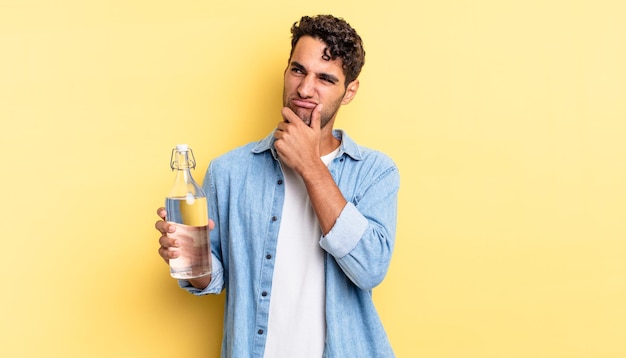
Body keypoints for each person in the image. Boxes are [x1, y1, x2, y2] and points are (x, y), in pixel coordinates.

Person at [156, 14, 400, 358]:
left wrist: (310, 165)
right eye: (298, 70)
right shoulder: (229, 171)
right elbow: (212, 277)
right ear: (286, 70)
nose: (304, 89)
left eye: (325, 78)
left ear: (349, 91)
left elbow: (371, 268)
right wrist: (186, 257)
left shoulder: (375, 171)